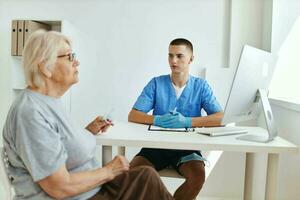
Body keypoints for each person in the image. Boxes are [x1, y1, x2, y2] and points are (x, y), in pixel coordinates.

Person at [2, 30, 173, 200]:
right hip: (76, 197)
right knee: (146, 182)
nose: (76, 62)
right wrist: (109, 170)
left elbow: (58, 144)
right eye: (69, 57)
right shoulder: (30, 113)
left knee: (146, 176)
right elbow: (59, 187)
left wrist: (89, 130)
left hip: (91, 191)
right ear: (45, 67)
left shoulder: (49, 102)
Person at [128, 38, 224, 200]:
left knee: (198, 176)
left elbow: (220, 117)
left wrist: (188, 121)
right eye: (170, 56)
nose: (173, 61)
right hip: (155, 147)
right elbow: (133, 115)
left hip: (187, 149)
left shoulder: (201, 86)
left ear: (191, 59)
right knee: (133, 173)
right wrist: (156, 120)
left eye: (179, 56)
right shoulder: (156, 83)